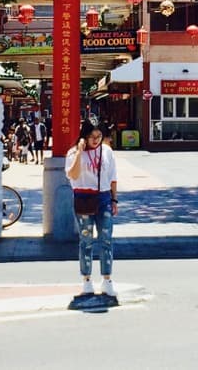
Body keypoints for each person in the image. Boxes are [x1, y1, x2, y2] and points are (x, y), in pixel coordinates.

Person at [65, 119, 118, 298]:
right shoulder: (73, 153)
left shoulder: (107, 152)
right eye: (91, 137)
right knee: (85, 241)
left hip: (103, 198)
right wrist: (80, 152)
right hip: (83, 198)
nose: (95, 140)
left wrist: (114, 200)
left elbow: (113, 178)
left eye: (99, 136)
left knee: (106, 239)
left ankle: (107, 279)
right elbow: (72, 174)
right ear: (84, 137)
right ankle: (86, 279)